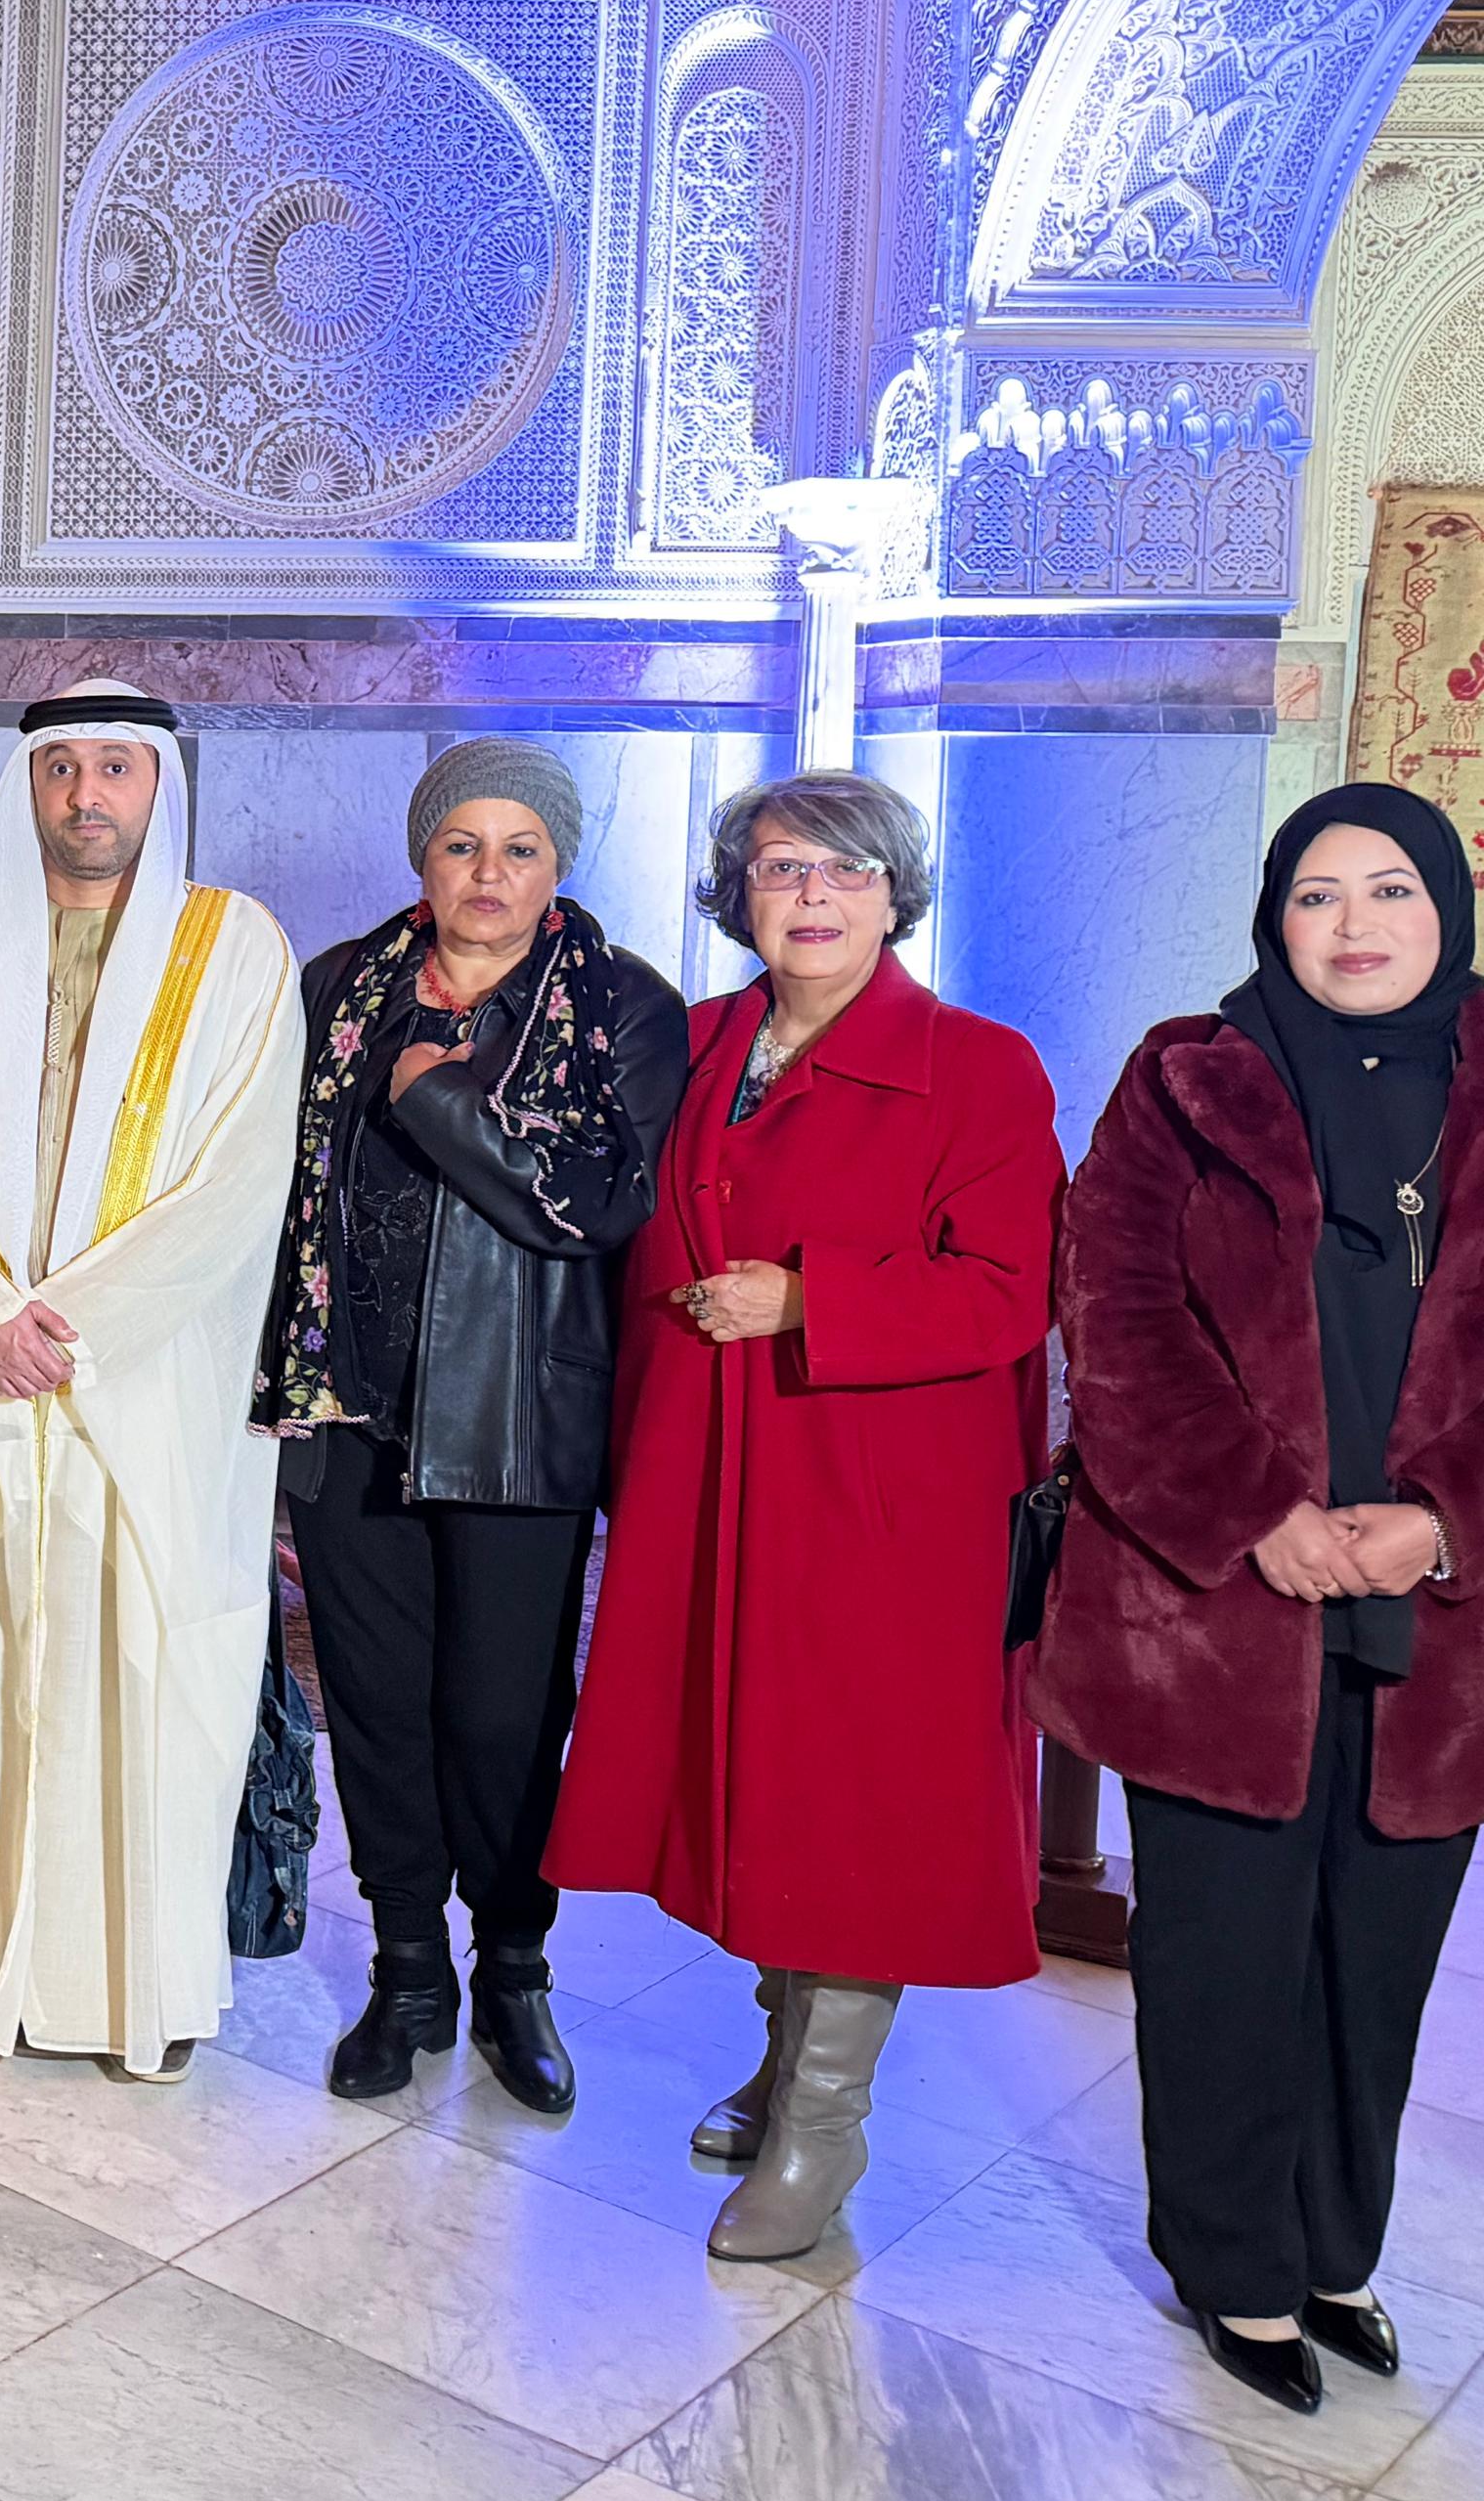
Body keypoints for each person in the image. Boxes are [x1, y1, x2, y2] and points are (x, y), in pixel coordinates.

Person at [548, 768, 1060, 2260]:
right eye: (782, 869)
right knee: (751, 1772)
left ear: (897, 895)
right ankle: (781, 2062)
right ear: (740, 896)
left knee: (856, 1800)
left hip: (882, 1502)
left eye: (847, 870)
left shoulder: (980, 1066)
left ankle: (824, 2129)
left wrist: (807, 1299)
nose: (814, 897)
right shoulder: (704, 1043)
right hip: (711, 1472)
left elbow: (1011, 1292)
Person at [1042, 783, 1484, 2415]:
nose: (1354, 924)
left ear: (1449, 909)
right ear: (1272, 917)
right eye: (1317, 893)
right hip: (1217, 1615)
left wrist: (1440, 1521)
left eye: (1391, 890)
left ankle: (1336, 2252)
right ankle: (1235, 2268)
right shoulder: (1186, 1079)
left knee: (1378, 1961)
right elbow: (1117, 1316)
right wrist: (1257, 1517)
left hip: (1438, 1619)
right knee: (1222, 1957)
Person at [0, 682, 302, 2076]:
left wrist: (70, 1330)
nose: (87, 795)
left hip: (136, 1393)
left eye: (115, 768)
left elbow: (237, 1179)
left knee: (131, 1679)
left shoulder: (236, 947)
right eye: (62, 770)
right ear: (27, 784)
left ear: (156, 784)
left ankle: (119, 1987)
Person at [256, 740, 689, 2113]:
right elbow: (271, 1187)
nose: (487, 874)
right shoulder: (340, 988)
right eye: (461, 844)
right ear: (422, 857)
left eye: (518, 849)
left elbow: (599, 1202)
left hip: (518, 1423)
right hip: (348, 1411)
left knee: (503, 1718)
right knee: (375, 1708)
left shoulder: (625, 1004)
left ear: (558, 865)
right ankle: (406, 1972)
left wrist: (433, 1097)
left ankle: (512, 1968)